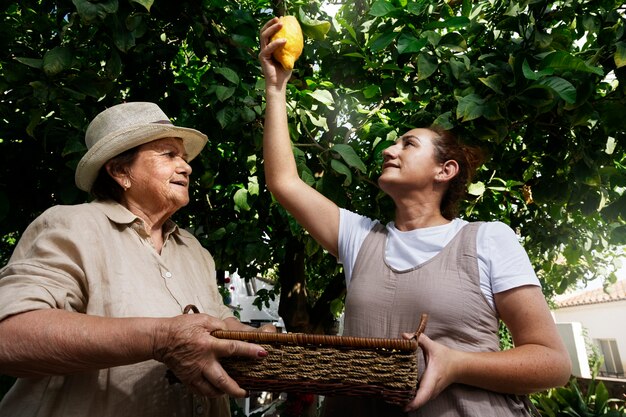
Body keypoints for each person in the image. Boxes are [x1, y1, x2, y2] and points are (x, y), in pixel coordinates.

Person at [259, 17, 572, 417]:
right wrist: (275, 86)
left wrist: (457, 364)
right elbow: (284, 181)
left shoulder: (488, 239)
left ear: (446, 170)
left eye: (408, 143)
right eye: (393, 143)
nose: (390, 150)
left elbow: (553, 364)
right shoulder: (360, 238)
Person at [0, 102, 273, 417]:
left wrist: (251, 340)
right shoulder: (73, 225)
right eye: (168, 155)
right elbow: (9, 335)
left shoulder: (192, 248)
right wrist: (160, 338)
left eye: (183, 158)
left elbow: (217, 322)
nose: (186, 167)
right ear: (120, 171)